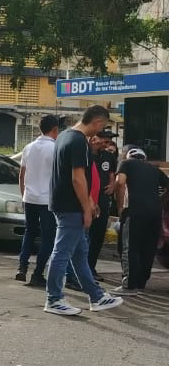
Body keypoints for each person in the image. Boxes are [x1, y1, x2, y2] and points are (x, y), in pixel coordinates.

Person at [43, 105, 123, 315]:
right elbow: (77, 178)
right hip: (71, 207)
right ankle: (54, 299)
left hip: (65, 203)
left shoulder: (63, 137)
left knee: (80, 254)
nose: (101, 131)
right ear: (97, 122)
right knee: (61, 253)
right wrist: (87, 208)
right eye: (103, 126)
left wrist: (88, 202)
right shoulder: (79, 141)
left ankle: (96, 296)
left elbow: (78, 177)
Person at [113, 147, 169, 294]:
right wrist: (158, 200)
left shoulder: (126, 163)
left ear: (129, 156)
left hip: (135, 211)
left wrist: (120, 207)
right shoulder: (154, 169)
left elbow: (120, 183)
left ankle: (129, 285)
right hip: (155, 213)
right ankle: (141, 283)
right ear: (144, 158)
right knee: (148, 248)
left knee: (130, 247)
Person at [15, 114, 59, 285]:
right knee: (48, 237)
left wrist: (23, 195)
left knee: (29, 233)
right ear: (55, 130)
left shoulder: (28, 147)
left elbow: (21, 175)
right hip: (47, 199)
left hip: (30, 197)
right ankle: (38, 273)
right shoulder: (55, 149)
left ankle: (22, 268)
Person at [86, 129, 118, 277]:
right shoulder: (86, 155)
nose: (105, 145)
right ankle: (81, 269)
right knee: (85, 236)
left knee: (98, 236)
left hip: (103, 201)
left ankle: (91, 267)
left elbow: (112, 175)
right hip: (87, 200)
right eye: (104, 142)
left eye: (108, 142)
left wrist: (112, 185)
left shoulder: (109, 156)